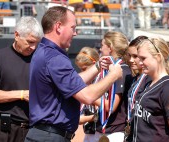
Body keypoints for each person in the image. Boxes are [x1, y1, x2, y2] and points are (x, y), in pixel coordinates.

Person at [25, 6, 122, 142]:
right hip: (50, 136)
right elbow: (87, 96)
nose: (75, 33)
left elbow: (73, 82)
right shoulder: (54, 57)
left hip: (45, 134)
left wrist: (97, 67)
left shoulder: (44, 51)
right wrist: (113, 75)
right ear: (58, 26)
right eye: (72, 27)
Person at [0, 16, 43, 142]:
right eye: (30, 42)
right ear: (17, 35)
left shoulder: (41, 58)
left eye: (36, 42)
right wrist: (21, 94)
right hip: (4, 130)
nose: (33, 47)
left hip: (34, 130)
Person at [91, 31, 133, 142]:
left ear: (110, 48)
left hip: (115, 134)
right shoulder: (115, 69)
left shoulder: (121, 70)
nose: (100, 49)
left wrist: (89, 95)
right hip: (108, 131)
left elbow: (111, 106)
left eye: (102, 45)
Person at [131, 37, 169, 141]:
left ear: (158, 57)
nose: (140, 63)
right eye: (139, 58)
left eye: (143, 58)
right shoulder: (147, 84)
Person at [124, 36, 152, 141]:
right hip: (132, 132)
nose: (131, 60)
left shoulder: (150, 80)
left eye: (135, 56)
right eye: (129, 55)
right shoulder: (134, 78)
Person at [75, 47, 100, 142]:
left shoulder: (102, 82)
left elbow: (106, 108)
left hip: (101, 133)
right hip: (89, 132)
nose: (82, 73)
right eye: (80, 69)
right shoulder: (86, 83)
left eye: (84, 69)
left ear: (94, 65)